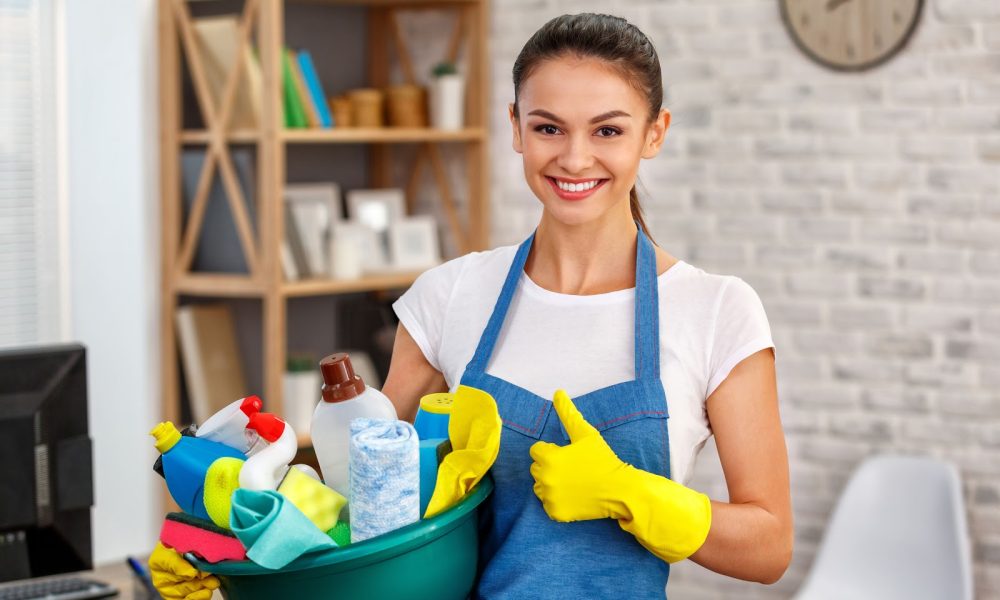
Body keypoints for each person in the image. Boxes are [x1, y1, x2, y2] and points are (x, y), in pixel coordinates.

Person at [383, 12, 792, 598]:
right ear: (516, 128)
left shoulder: (716, 311)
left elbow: (770, 546)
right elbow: (364, 495)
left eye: (608, 131)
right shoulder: (449, 297)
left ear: (654, 134)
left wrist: (631, 494)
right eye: (549, 128)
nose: (575, 160)